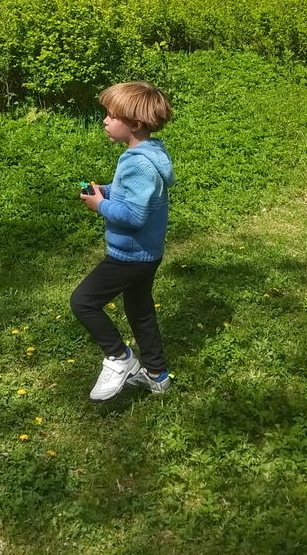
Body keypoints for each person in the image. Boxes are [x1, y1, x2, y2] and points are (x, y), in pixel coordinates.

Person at [70, 81, 175, 401]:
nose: (105, 120)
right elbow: (137, 198)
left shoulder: (136, 162)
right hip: (148, 252)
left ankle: (119, 358)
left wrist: (100, 205)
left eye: (111, 115)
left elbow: (133, 216)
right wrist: (107, 190)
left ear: (134, 124)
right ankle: (157, 375)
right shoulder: (149, 152)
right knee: (139, 309)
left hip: (130, 254)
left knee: (84, 302)